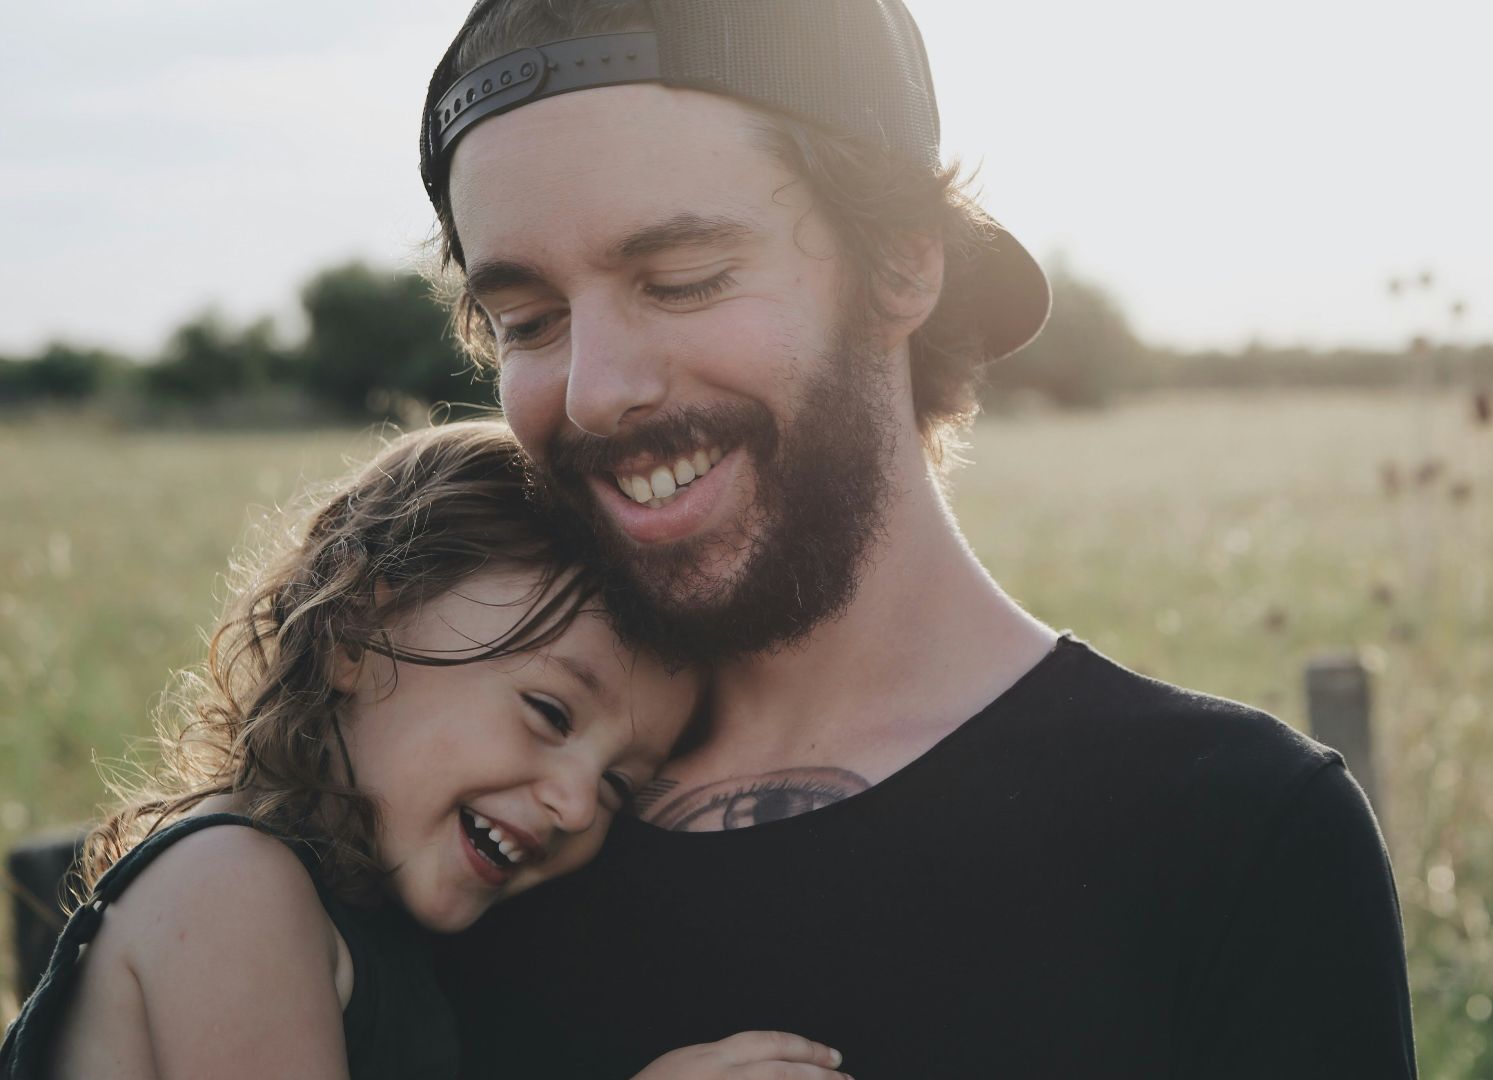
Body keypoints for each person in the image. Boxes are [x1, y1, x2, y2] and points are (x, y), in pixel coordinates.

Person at [422, 1, 1419, 1076]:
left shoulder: (1231, 833)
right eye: (528, 322)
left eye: (683, 280)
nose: (597, 390)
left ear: (902, 267)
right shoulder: (463, 817)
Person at [0, 421, 850, 1080]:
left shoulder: (371, 926)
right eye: (550, 713)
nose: (577, 802)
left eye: (619, 786)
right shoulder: (233, 886)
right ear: (358, 628)